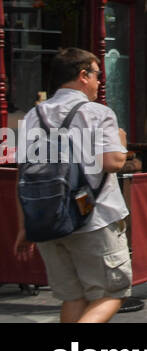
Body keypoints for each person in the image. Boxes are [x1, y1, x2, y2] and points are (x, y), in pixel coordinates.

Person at [13, 48, 131, 323]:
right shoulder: (97, 112)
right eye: (97, 75)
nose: (99, 82)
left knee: (74, 297)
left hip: (49, 220)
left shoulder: (33, 116)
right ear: (83, 76)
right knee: (111, 293)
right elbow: (113, 162)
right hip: (95, 219)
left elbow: (24, 175)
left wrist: (24, 226)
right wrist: (122, 142)